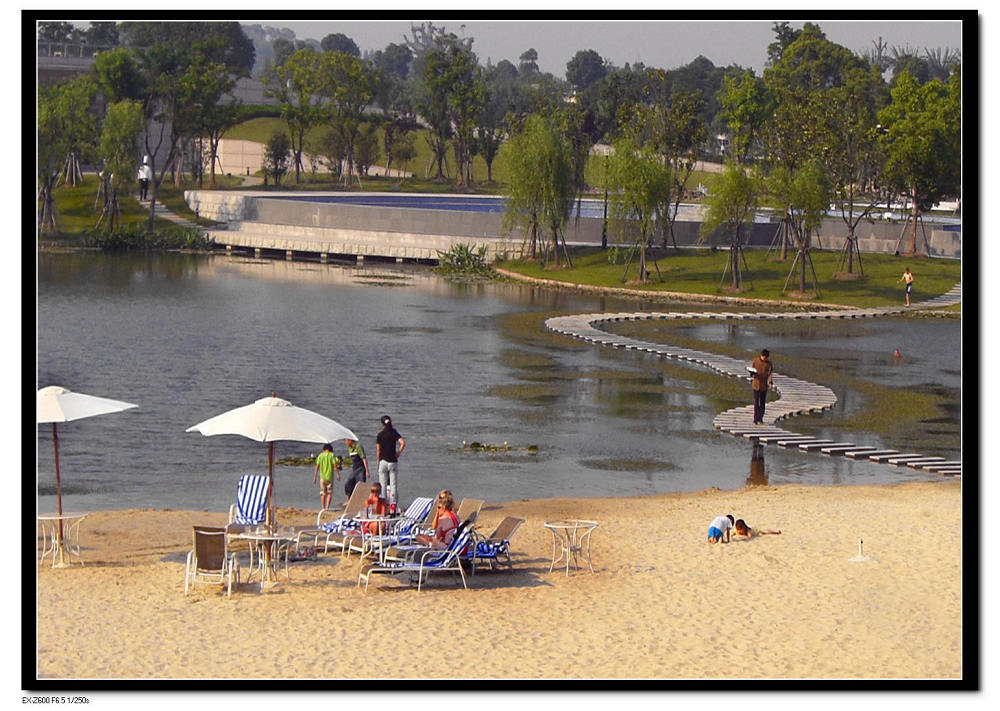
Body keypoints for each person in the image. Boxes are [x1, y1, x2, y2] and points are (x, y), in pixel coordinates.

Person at [375, 415, 405, 510]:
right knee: (393, 486)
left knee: (382, 486)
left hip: (383, 461)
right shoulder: (394, 433)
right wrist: (398, 453)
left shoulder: (380, 435)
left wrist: (378, 461)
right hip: (393, 461)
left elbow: (378, 450)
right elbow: (403, 443)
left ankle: (383, 508)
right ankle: (393, 508)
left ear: (382, 424)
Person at [342, 438, 370, 507]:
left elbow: (364, 458)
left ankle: (361, 502)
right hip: (354, 469)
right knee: (348, 484)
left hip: (360, 469)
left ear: (350, 440)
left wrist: (367, 470)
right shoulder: (350, 448)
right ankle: (349, 500)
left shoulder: (358, 447)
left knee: (360, 485)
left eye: (346, 440)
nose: (345, 442)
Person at [312, 443, 340, 511]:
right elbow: (335, 465)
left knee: (323, 493)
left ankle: (323, 507)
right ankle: (327, 507)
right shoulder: (332, 455)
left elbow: (317, 466)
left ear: (323, 449)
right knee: (329, 492)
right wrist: (338, 474)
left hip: (322, 477)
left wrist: (315, 477)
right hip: (330, 477)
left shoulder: (320, 456)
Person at [750, 348, 774, 425]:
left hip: (764, 385)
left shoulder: (769, 364)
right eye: (764, 357)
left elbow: (770, 374)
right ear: (761, 355)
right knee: (756, 402)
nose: (764, 358)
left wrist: (770, 382)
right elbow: (752, 370)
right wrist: (752, 373)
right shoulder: (755, 361)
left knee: (762, 403)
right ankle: (755, 418)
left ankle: (760, 418)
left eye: (766, 357)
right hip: (756, 384)